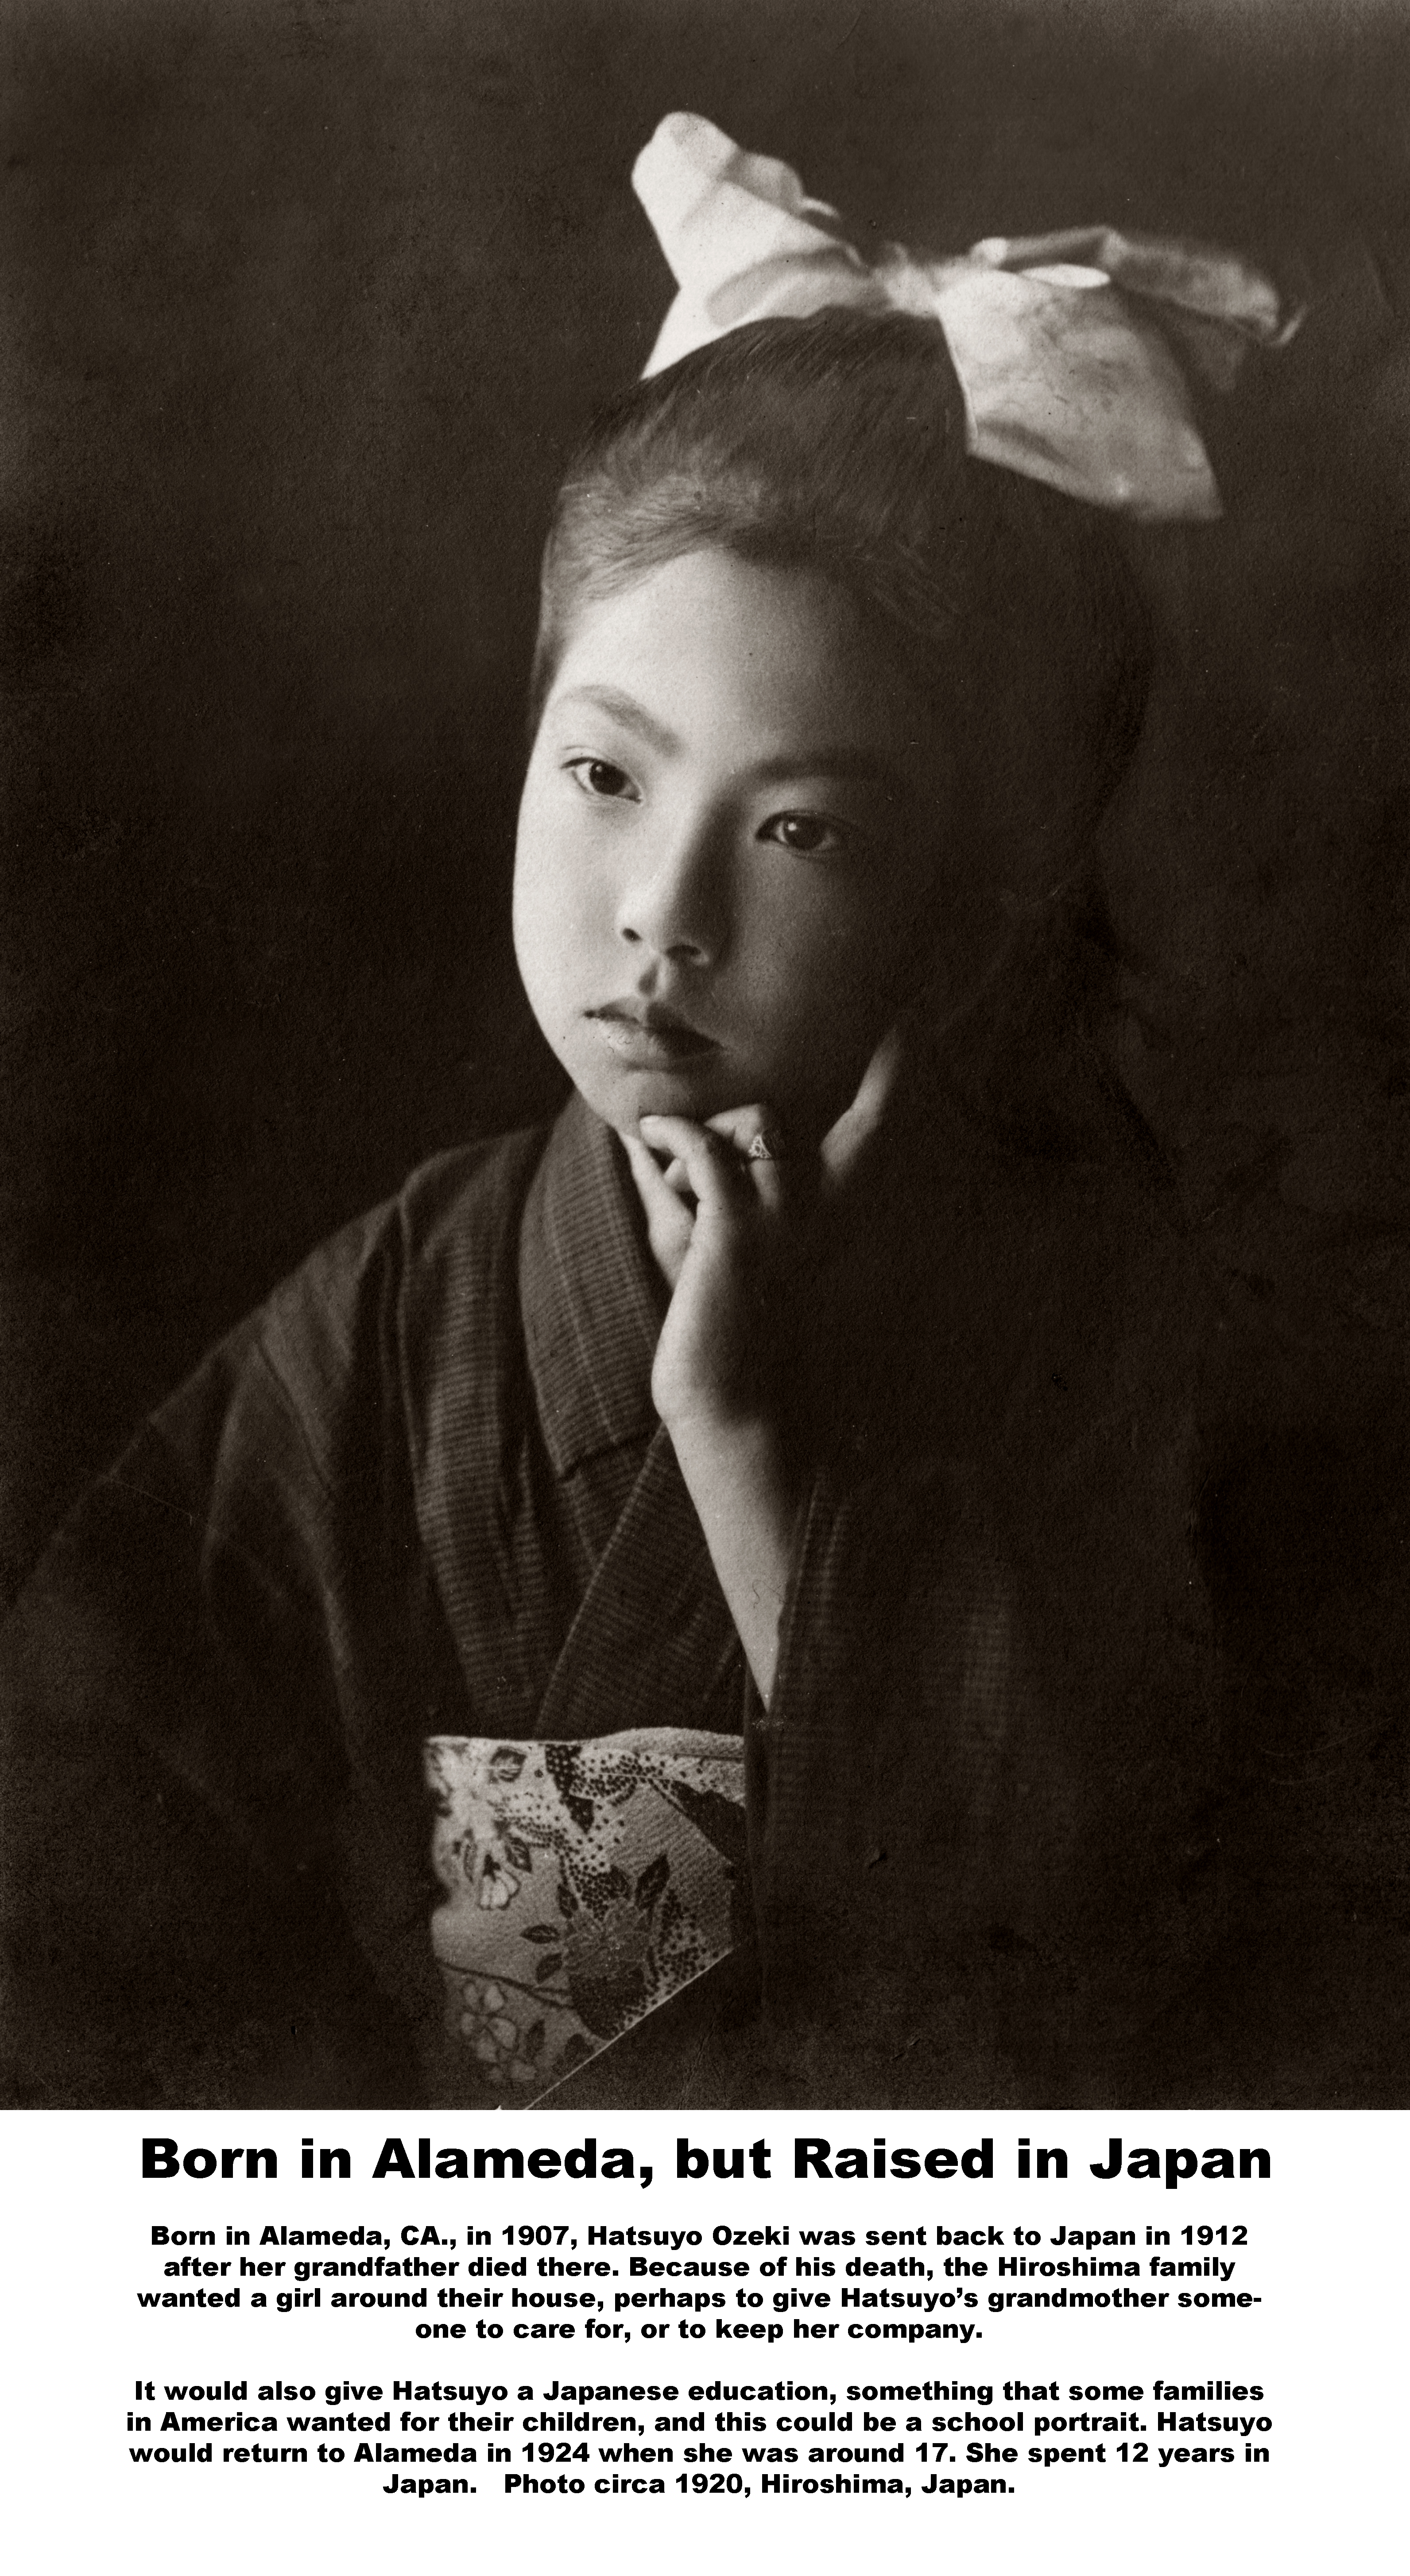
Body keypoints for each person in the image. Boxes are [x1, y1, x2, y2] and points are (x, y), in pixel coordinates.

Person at [3, 119, 1403, 2113]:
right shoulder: (412, 1302)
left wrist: (741, 1444)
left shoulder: (1102, 1298)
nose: (663, 915)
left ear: (973, 898)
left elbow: (1076, 1989)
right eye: (603, 775)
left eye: (800, 829)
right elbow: (88, 1818)